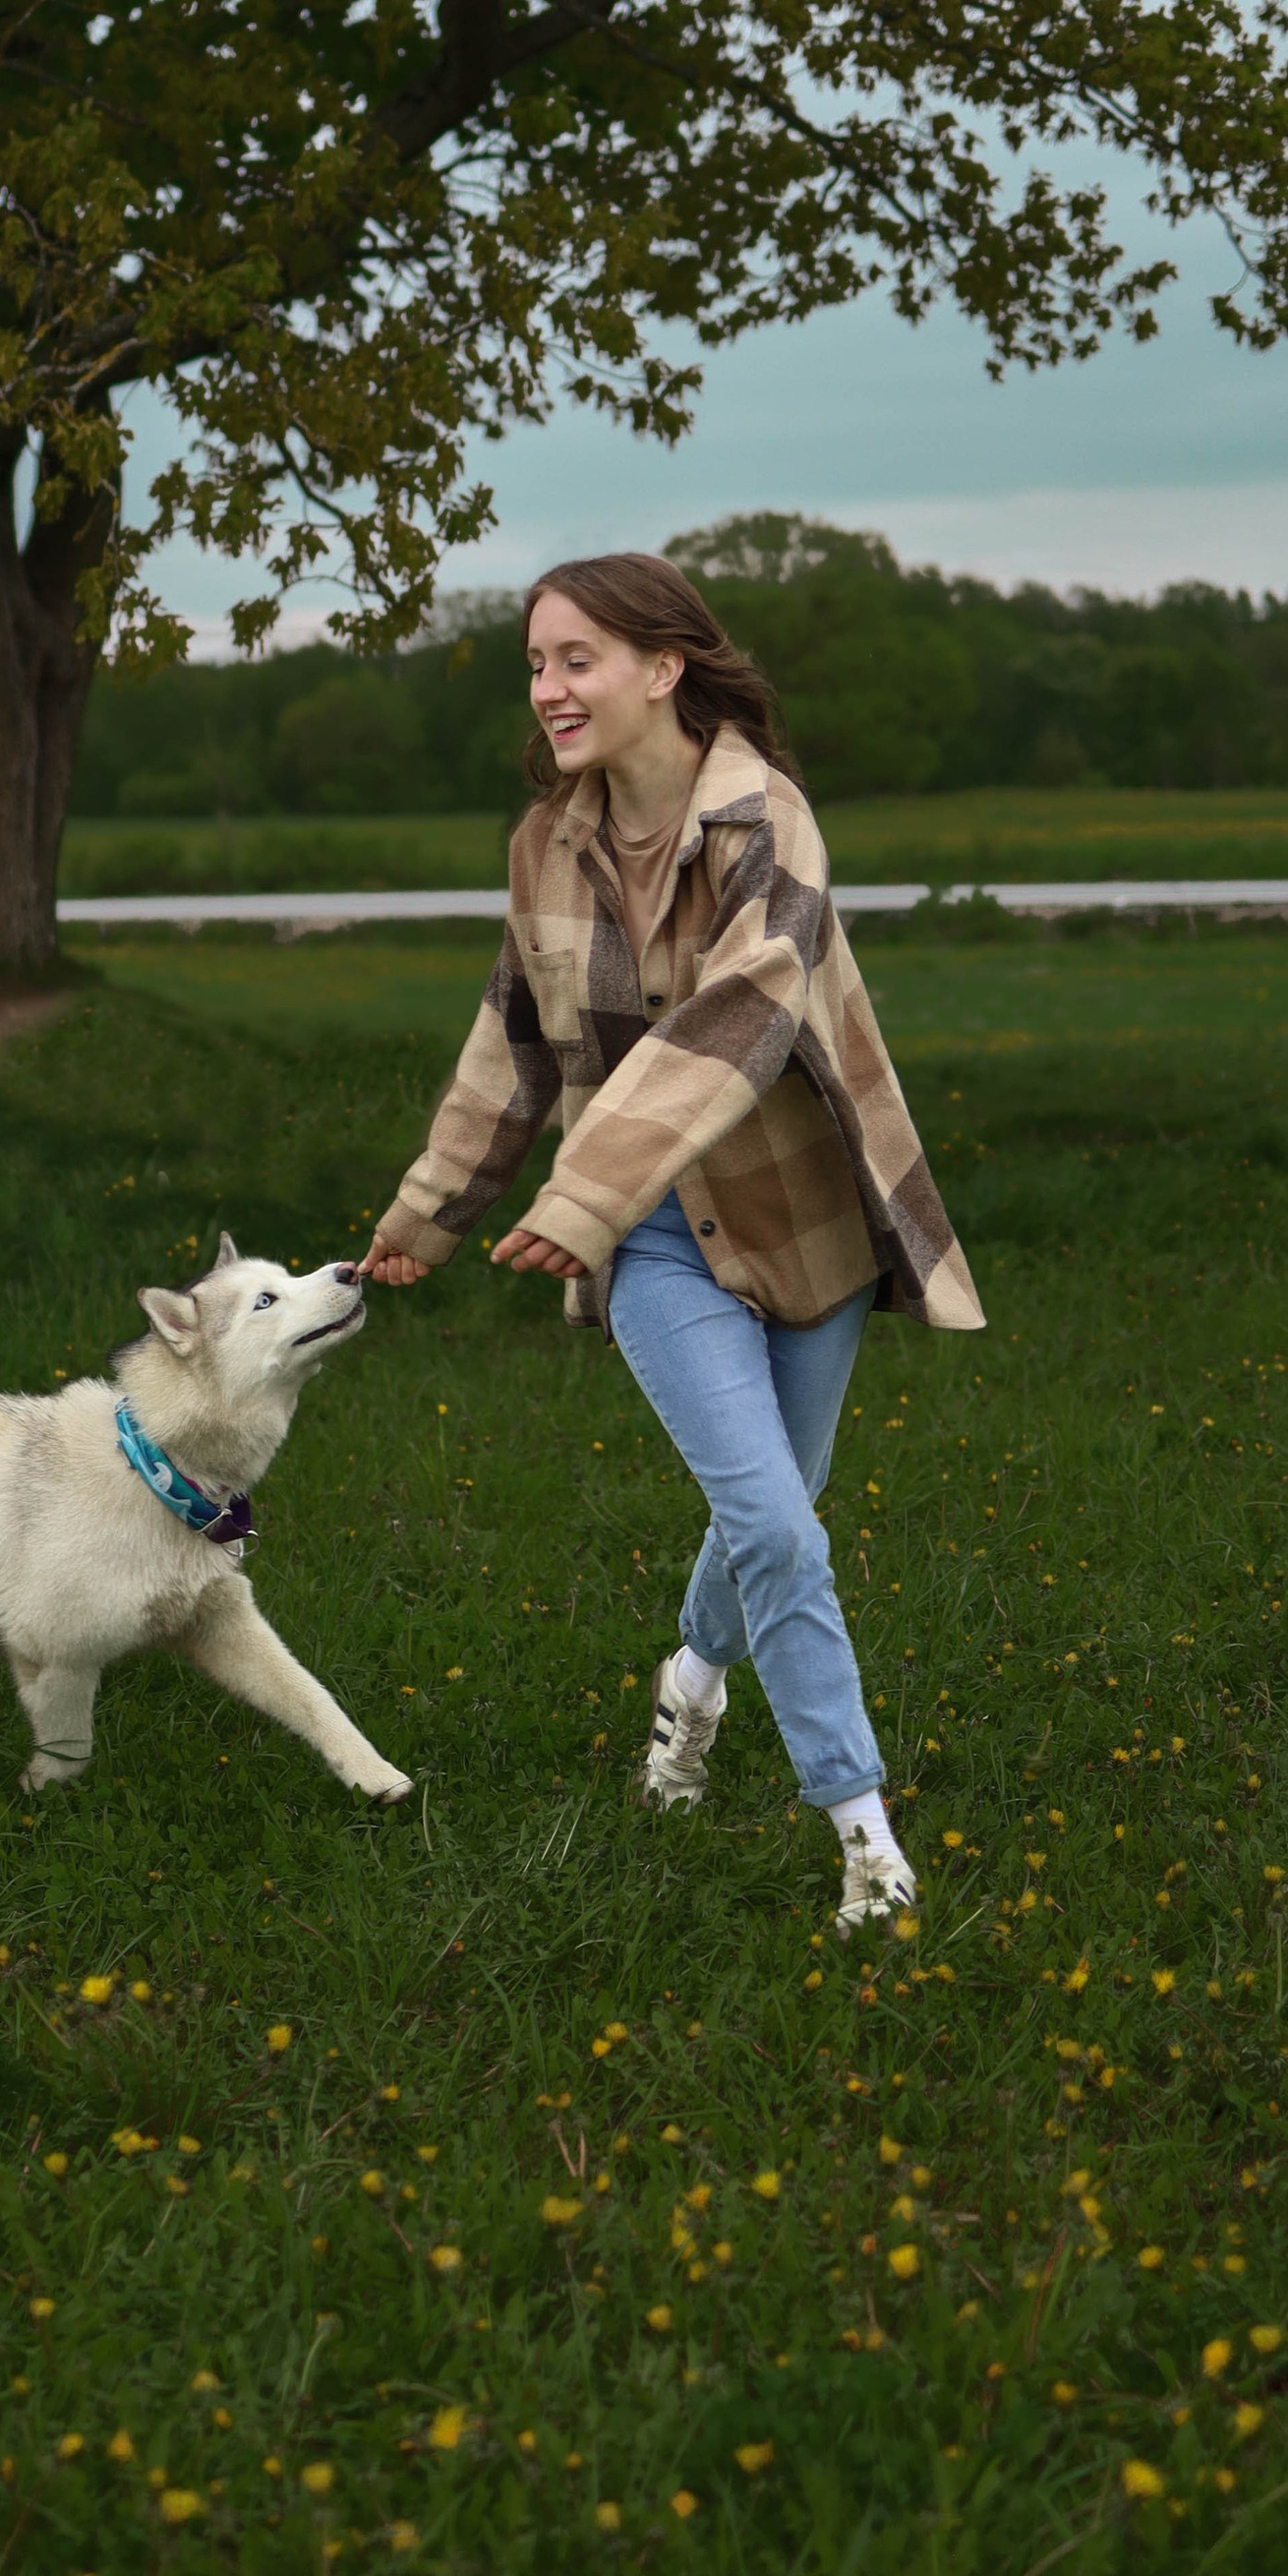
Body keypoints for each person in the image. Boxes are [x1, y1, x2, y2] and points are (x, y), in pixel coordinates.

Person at [358, 552, 981, 1929]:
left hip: (805, 1222)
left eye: (577, 657)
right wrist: (431, 1210)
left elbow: (743, 1023)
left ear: (664, 666)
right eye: (537, 663)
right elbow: (513, 1046)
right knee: (776, 1524)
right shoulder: (544, 843)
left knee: (775, 1520)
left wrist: (574, 1195)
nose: (550, 687)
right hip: (648, 1238)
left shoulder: (769, 823)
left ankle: (690, 1681)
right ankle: (866, 1843)